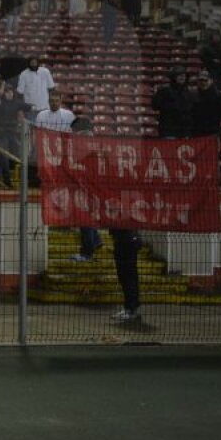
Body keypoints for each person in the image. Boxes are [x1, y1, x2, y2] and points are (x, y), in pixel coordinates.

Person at [70, 117, 103, 262]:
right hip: (93, 186)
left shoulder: (86, 145)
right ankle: (96, 240)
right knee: (87, 217)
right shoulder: (94, 144)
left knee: (85, 219)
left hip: (88, 187)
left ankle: (87, 252)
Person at [108, 228, 143, 323]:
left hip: (127, 241)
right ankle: (129, 307)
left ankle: (131, 309)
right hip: (123, 239)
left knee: (128, 276)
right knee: (124, 275)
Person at [151, 67, 192, 138]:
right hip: (168, 130)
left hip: (183, 131)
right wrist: (171, 106)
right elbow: (155, 105)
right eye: (179, 75)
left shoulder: (187, 92)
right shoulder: (164, 90)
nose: (182, 77)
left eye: (184, 75)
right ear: (174, 77)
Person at [189, 70, 221, 137]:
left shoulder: (220, 96)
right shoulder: (192, 95)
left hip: (213, 131)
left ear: (211, 81)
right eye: (201, 80)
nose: (203, 83)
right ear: (197, 81)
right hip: (196, 132)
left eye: (205, 80)